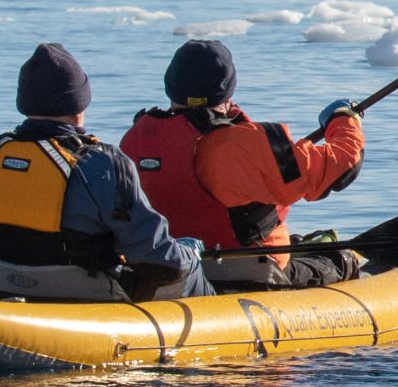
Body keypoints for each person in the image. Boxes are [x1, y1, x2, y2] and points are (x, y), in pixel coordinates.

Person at [0, 42, 210, 301]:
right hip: (87, 301)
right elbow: (159, 262)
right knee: (188, 263)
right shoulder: (103, 164)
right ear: (79, 105)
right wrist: (189, 252)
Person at [120, 38, 367, 290]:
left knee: (300, 243)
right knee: (339, 259)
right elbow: (343, 166)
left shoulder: (135, 139)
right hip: (249, 274)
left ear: (171, 86)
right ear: (227, 89)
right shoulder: (250, 144)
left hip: (170, 272)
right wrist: (343, 119)